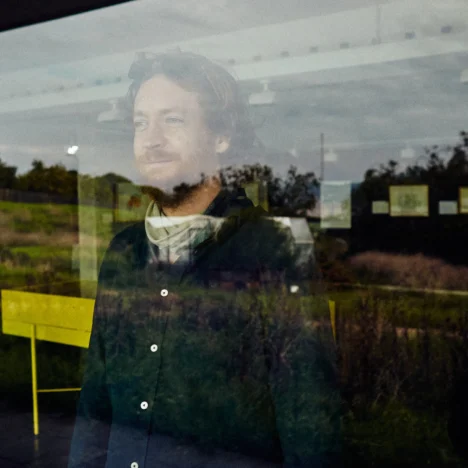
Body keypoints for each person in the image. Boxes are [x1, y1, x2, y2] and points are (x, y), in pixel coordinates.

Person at [68, 50, 342, 468]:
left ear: (221, 137)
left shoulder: (274, 249)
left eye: (172, 120)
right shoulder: (124, 250)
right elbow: (95, 402)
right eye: (140, 123)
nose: (151, 138)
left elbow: (309, 421)